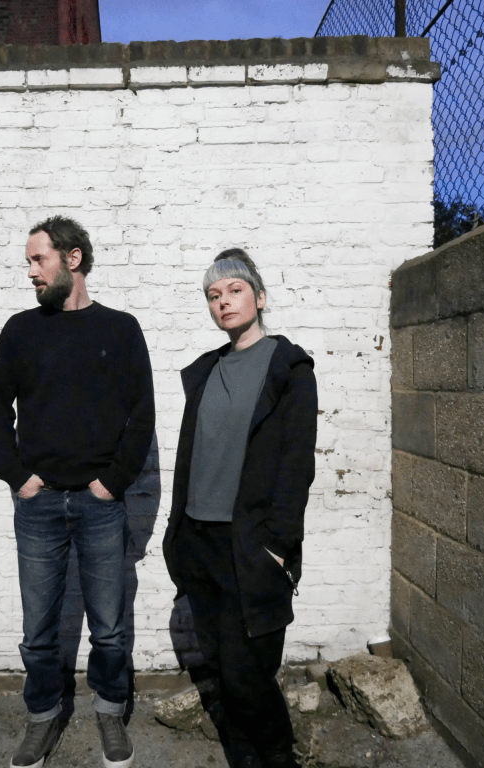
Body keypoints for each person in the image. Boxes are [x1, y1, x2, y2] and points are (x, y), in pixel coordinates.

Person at [0, 216, 155, 768]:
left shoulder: (121, 329)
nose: (30, 271)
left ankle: (110, 710)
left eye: (39, 260)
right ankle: (41, 718)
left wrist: (111, 484)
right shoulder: (20, 330)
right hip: (38, 506)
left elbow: (142, 415)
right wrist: (17, 477)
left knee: (108, 627)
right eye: (29, 261)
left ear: (73, 259)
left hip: (99, 504)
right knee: (39, 632)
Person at [162, 249, 318, 768]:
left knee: (250, 678)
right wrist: (177, 535)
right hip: (201, 544)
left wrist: (278, 545)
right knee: (224, 679)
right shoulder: (205, 372)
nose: (223, 301)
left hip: (250, 547)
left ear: (260, 297)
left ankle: (279, 760)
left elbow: (297, 465)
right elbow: (192, 461)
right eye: (213, 295)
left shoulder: (288, 368)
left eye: (234, 290)